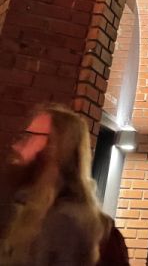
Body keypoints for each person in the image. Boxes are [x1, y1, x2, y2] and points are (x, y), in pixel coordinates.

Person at [0, 103, 128, 266]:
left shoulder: (67, 224)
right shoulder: (23, 210)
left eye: (29, 136)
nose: (16, 146)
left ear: (55, 148)